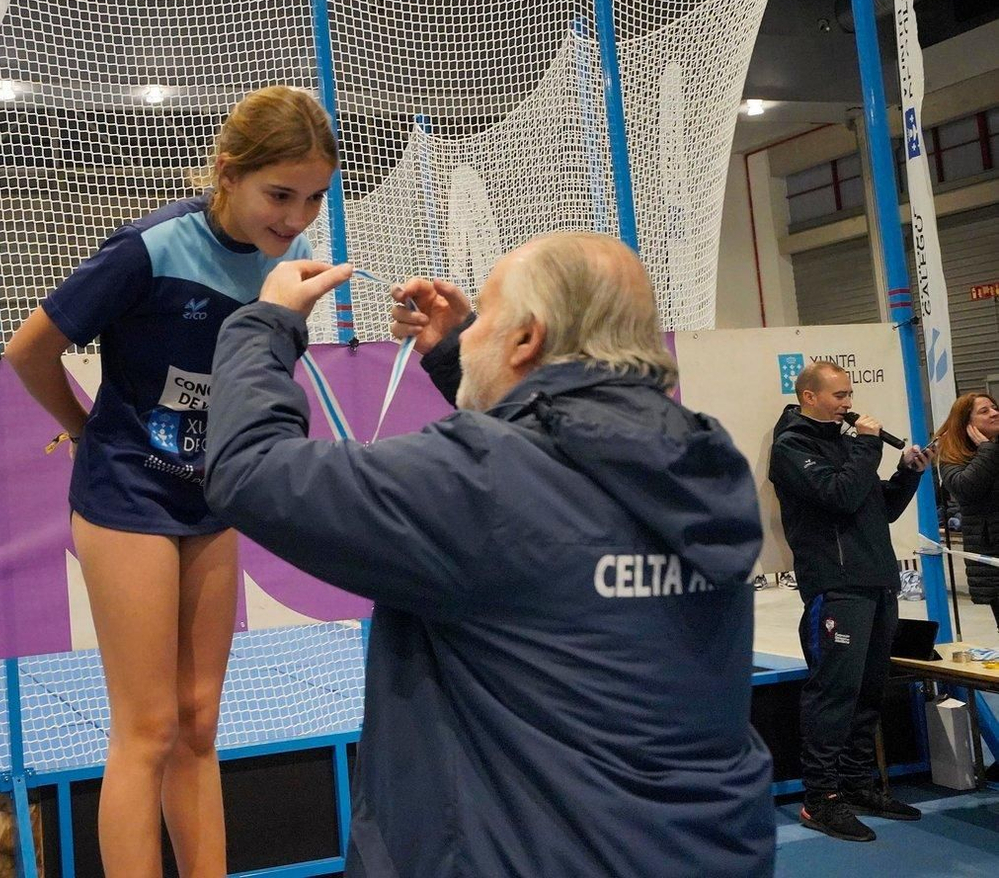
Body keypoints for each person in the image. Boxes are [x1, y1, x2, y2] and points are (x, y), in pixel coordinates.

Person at [204, 232, 773, 877]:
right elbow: (547, 485)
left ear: (527, 340)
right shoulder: (704, 463)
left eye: (485, 319)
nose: (469, 332)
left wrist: (267, 324)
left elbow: (249, 471)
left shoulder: (484, 485)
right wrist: (461, 356)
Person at [6, 86, 335, 877]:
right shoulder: (148, 250)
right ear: (228, 172)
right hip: (127, 498)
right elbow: (28, 350)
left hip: (208, 501)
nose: (294, 218)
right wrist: (89, 431)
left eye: (314, 198)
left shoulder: (279, 273)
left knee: (199, 720)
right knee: (147, 728)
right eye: (279, 194)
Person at [768, 361, 931, 842]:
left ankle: (859, 786)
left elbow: (876, 505)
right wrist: (866, 444)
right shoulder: (791, 446)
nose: (847, 402)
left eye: (849, 393)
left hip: (876, 580)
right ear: (809, 397)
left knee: (868, 693)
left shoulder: (845, 441)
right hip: (836, 586)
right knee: (833, 695)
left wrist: (907, 474)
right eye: (838, 394)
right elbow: (837, 496)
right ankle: (821, 799)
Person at [936, 393, 999, 628]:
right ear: (966, 423)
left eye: (994, 407)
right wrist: (986, 450)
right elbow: (967, 488)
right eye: (984, 411)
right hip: (991, 552)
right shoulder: (953, 458)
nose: (994, 412)